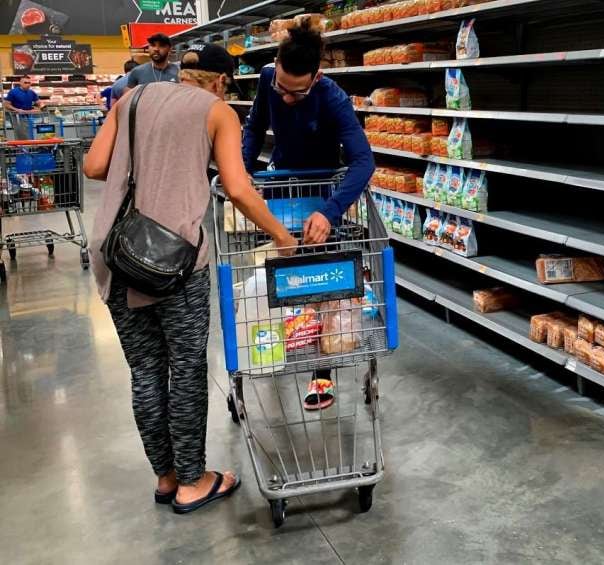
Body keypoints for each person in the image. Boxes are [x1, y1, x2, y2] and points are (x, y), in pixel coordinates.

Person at [83, 43, 298, 514]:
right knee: (186, 368)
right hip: (172, 262)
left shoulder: (130, 98)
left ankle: (164, 477)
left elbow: (94, 167)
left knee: (145, 371)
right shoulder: (218, 111)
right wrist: (281, 235)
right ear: (221, 81)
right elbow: (238, 187)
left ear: (184, 72)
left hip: (115, 254)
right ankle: (193, 480)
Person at [242, 19, 375, 245]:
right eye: (280, 88)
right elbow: (255, 126)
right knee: (276, 259)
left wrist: (328, 212)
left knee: (318, 263)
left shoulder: (334, 98)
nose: (285, 97)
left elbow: (364, 161)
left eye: (297, 94)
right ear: (276, 64)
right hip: (279, 183)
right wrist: (243, 168)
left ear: (317, 77)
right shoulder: (266, 77)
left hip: (320, 189)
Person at [4, 75, 43, 139]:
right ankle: (22, 148)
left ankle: (29, 147)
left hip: (29, 116)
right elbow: (6, 105)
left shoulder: (31, 92)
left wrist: (42, 106)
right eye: (25, 82)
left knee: (29, 134)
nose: (28, 84)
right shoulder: (13, 92)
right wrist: (17, 110)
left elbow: (39, 102)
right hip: (17, 117)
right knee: (20, 134)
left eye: (29, 83)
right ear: (20, 83)